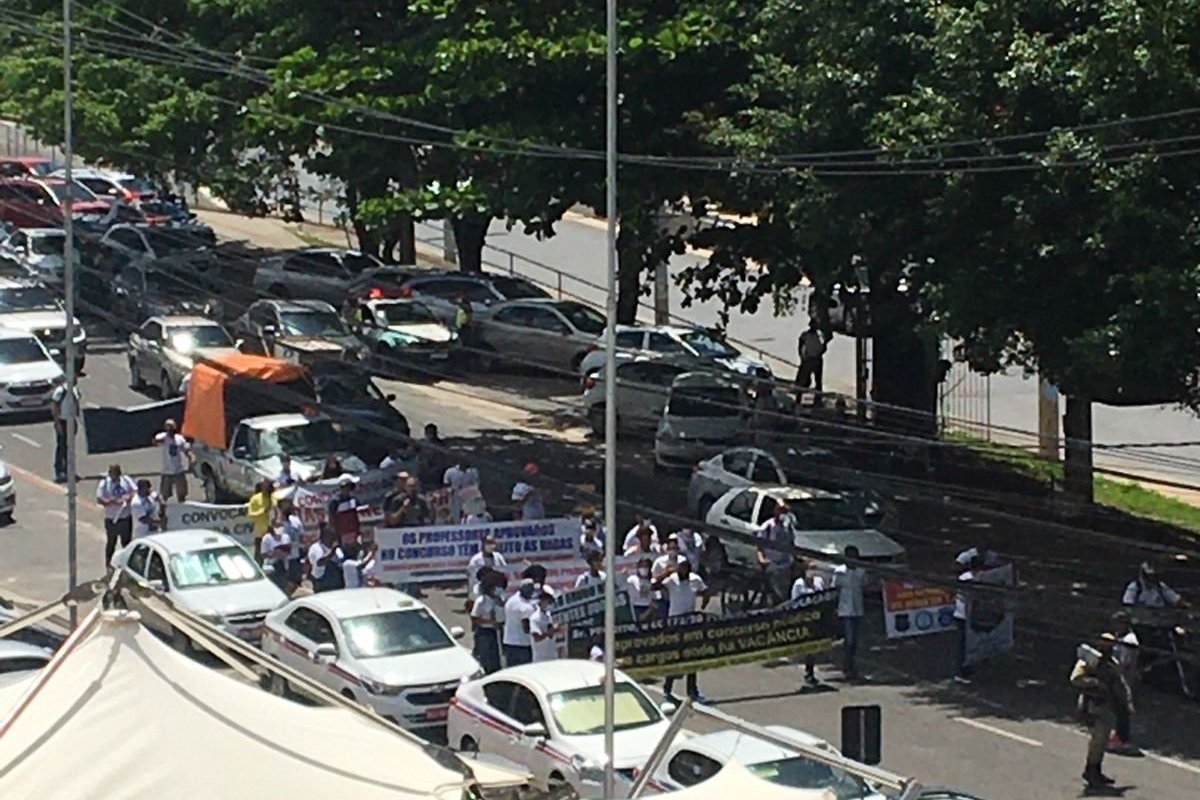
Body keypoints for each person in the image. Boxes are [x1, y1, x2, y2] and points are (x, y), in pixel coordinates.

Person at [1070, 632, 1133, 789]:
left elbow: (1120, 683)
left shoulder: (1112, 663)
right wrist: (1096, 683)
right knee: (1097, 740)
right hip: (1092, 704)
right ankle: (1091, 771)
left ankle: (1096, 770)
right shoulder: (1088, 662)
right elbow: (1076, 678)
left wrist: (1126, 702)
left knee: (1103, 740)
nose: (1108, 647)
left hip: (1107, 705)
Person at [656, 559, 709, 702]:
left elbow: (705, 591)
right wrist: (665, 573)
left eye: (685, 569)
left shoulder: (695, 579)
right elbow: (654, 586)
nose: (683, 571)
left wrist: (703, 606)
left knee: (691, 656)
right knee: (675, 656)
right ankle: (668, 687)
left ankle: (692, 691)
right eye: (681, 568)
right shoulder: (672, 580)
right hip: (674, 623)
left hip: (689, 623)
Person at [832, 545, 867, 681]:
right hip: (845, 610)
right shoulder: (839, 572)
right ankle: (848, 666)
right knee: (849, 640)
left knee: (855, 641)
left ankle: (851, 665)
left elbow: (865, 586)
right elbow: (835, 589)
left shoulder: (861, 572)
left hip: (858, 609)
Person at [791, 560, 827, 685]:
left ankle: (810, 670)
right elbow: (794, 602)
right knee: (808, 646)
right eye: (810, 569)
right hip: (805, 619)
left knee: (814, 647)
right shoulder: (799, 584)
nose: (812, 572)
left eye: (814, 569)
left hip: (817, 619)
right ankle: (809, 671)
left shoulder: (819, 581)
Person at [1109, 611, 1140, 754]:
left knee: (1122, 710)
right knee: (1116, 708)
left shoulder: (1130, 641)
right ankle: (1116, 736)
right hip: (1116, 677)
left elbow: (1125, 663)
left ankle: (1122, 739)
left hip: (1124, 679)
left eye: (1117, 623)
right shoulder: (1119, 636)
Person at [96, 464, 136, 564]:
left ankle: (127, 563)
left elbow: (135, 491)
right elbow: (100, 499)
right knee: (111, 543)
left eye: (115, 474)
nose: (113, 476)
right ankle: (109, 564)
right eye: (111, 473)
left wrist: (128, 497)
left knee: (126, 543)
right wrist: (112, 501)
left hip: (125, 517)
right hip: (111, 518)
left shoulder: (126, 480)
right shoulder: (104, 483)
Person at [756, 500, 795, 603]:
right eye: (780, 510)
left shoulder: (788, 527)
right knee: (774, 592)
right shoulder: (767, 526)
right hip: (772, 565)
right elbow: (759, 546)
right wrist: (762, 559)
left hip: (785, 566)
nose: (782, 513)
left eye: (784, 511)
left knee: (785, 593)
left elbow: (791, 544)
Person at [952, 555, 981, 684]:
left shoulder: (976, 577)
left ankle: (968, 668)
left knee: (972, 643)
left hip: (971, 615)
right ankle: (960, 672)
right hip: (963, 615)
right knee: (963, 646)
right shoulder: (966, 578)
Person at [471, 572, 505, 674]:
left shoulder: (500, 600)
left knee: (497, 657)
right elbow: (475, 618)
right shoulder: (481, 601)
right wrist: (491, 622)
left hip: (498, 631)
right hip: (485, 632)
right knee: (486, 657)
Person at [153, 419, 193, 502]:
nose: (170, 429)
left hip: (178, 470)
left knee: (182, 493)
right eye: (168, 426)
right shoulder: (162, 437)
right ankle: (164, 508)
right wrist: (163, 439)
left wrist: (191, 457)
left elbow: (186, 449)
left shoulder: (179, 438)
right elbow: (155, 441)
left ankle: (182, 504)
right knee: (165, 494)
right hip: (166, 471)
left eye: (171, 427)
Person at [49, 380, 80, 483]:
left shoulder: (75, 390)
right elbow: (55, 407)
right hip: (62, 421)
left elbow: (76, 406)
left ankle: (70, 470)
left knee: (70, 447)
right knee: (61, 446)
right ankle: (59, 471)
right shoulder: (60, 391)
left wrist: (76, 421)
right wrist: (57, 423)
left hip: (71, 420)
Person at [1122, 561, 1189, 608]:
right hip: (1140, 620)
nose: (1152, 579)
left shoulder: (1160, 586)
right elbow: (1127, 604)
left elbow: (1176, 599)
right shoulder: (1135, 586)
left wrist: (1188, 606)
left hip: (1159, 619)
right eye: (1150, 576)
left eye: (1154, 576)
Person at [502, 579, 538, 666]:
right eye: (531, 590)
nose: (532, 592)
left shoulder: (511, 600)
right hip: (522, 644)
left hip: (509, 642)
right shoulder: (525, 607)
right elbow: (526, 628)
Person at [652, 534, 686, 618]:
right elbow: (654, 580)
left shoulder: (683, 560)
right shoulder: (659, 562)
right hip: (664, 598)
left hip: (679, 598)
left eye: (674, 548)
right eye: (670, 549)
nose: (672, 551)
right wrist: (666, 572)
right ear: (667, 549)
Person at [466, 534, 509, 598]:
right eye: (489, 543)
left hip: (496, 590)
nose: (491, 545)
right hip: (481, 590)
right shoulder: (476, 560)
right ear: (483, 544)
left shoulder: (498, 556)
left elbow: (505, 571)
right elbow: (472, 579)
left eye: (493, 543)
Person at [275, 497, 304, 587]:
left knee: (295, 583)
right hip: (280, 559)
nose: (288, 507)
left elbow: (301, 535)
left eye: (289, 504)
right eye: (285, 505)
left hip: (294, 556)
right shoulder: (276, 523)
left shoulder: (296, 520)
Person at [795, 319, 829, 393]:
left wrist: (819, 352)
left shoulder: (820, 336)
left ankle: (818, 397)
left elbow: (824, 347)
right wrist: (802, 356)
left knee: (818, 381)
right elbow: (800, 345)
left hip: (817, 359)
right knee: (803, 381)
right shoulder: (805, 335)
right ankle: (799, 396)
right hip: (808, 359)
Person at [307, 525, 344, 592]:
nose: (333, 538)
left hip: (337, 583)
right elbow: (320, 563)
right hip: (322, 582)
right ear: (324, 536)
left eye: (334, 535)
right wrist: (332, 552)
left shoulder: (337, 549)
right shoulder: (316, 547)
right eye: (331, 535)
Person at [326, 477, 361, 546]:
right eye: (345, 487)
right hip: (341, 531)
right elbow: (331, 517)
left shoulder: (353, 499)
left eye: (349, 487)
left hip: (353, 530)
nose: (347, 490)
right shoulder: (335, 501)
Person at [529, 589, 561, 663]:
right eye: (547, 601)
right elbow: (537, 638)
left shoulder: (550, 616)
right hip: (540, 658)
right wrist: (550, 631)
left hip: (552, 656)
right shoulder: (535, 618)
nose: (549, 604)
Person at [260, 524, 294, 592]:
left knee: (284, 584)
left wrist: (283, 553)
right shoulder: (266, 538)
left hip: (284, 565)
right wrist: (275, 554)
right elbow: (263, 554)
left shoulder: (286, 537)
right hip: (271, 566)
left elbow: (289, 551)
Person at [247, 480, 274, 562]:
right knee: (259, 555)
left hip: (274, 532)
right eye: (264, 486)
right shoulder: (255, 499)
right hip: (261, 532)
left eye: (268, 486)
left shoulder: (275, 498)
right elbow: (251, 515)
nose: (266, 488)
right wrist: (263, 511)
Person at [627, 557, 656, 621]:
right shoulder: (632, 579)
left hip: (649, 606)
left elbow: (651, 596)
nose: (644, 569)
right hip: (637, 605)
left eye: (646, 566)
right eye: (642, 566)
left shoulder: (650, 581)